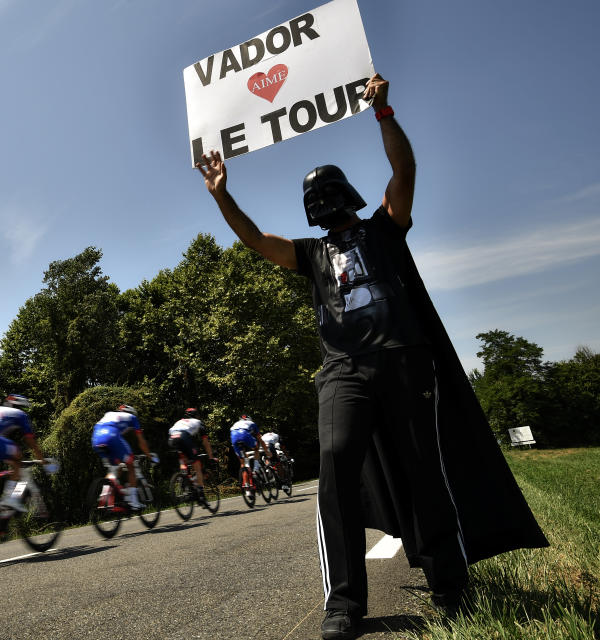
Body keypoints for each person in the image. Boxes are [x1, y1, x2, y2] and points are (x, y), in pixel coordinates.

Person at [197, 74, 547, 639]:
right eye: (315, 197)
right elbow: (257, 240)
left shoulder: (385, 229)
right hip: (343, 372)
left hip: (406, 361)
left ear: (348, 195)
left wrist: (383, 114)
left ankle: (449, 584)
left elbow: (403, 174)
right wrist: (220, 194)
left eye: (329, 192)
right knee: (335, 465)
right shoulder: (309, 254)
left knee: (423, 470)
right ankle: (344, 604)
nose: (324, 202)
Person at [91, 404, 159, 510]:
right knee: (131, 464)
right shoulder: (132, 418)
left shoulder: (109, 414)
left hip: (96, 438)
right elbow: (141, 442)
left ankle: (105, 499)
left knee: (114, 469)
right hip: (111, 435)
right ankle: (133, 501)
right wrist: (149, 456)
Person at [167, 408, 217, 505]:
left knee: (183, 458)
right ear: (196, 415)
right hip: (184, 437)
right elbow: (205, 442)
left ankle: (184, 480)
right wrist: (211, 457)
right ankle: (201, 494)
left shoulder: (179, 421)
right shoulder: (198, 422)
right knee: (197, 464)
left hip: (171, 439)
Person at [228, 415, 273, 500]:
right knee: (256, 446)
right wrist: (266, 451)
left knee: (243, 463)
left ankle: (247, 487)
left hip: (233, 437)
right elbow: (260, 439)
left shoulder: (236, 424)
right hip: (244, 435)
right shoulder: (252, 423)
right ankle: (255, 466)